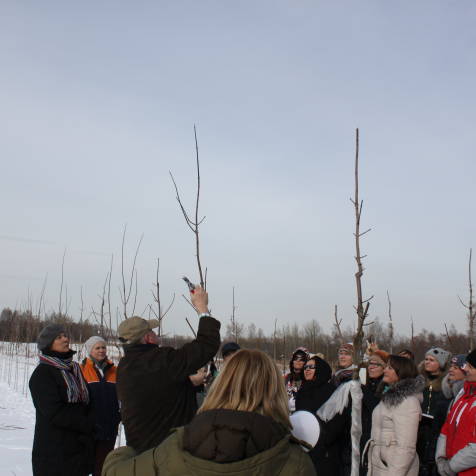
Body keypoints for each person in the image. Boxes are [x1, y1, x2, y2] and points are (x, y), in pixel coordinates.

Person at [103, 349, 316, 475]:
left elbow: (116, 472)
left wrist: (125, 451)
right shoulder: (295, 463)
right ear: (275, 391)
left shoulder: (176, 448)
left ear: (222, 384)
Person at [116, 285, 220, 453]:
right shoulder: (160, 360)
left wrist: (191, 381)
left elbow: (158, 388)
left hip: (142, 453)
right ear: (147, 337)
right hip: (168, 453)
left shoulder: (125, 367)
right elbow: (206, 345)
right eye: (152, 331)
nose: (156, 333)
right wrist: (202, 307)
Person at [29, 324, 94, 476]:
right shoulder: (42, 374)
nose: (65, 339)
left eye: (65, 335)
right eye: (59, 337)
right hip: (54, 450)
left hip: (79, 448)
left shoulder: (75, 369)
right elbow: (54, 412)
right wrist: (85, 423)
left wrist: (92, 420)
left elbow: (88, 399)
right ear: (48, 344)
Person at [365, 354, 423, 476]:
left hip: (394, 469)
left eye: (390, 368)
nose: (385, 370)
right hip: (381, 466)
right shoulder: (387, 398)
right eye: (386, 367)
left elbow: (406, 448)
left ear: (401, 372)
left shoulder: (407, 402)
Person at [80, 336, 120, 476]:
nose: (101, 350)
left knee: (104, 466)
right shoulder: (81, 370)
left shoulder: (115, 370)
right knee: (85, 465)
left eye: (103, 347)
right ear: (90, 350)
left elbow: (121, 397)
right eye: (97, 348)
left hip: (109, 427)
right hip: (89, 429)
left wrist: (118, 417)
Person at [436, 349, 476, 476]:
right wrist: (441, 458)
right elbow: (446, 428)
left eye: (470, 366)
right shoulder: (462, 394)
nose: (466, 369)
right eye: (466, 365)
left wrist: (452, 466)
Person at [295, 355, 334, 472]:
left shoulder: (330, 391)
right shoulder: (302, 392)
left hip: (325, 450)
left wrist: (323, 440)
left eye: (311, 367)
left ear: (320, 369)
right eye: (306, 366)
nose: (307, 369)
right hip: (304, 447)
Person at [417, 347, 451, 475]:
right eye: (426, 359)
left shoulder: (447, 384)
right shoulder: (419, 381)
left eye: (432, 360)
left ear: (441, 364)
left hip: (437, 431)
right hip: (419, 430)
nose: (427, 362)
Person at [360, 348, 389, 475]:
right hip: (362, 436)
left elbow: (376, 408)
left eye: (375, 364)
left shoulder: (386, 387)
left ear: (384, 367)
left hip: (378, 441)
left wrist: (362, 389)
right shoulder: (368, 383)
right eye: (369, 364)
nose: (371, 367)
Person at [285, 347, 309, 412]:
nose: (298, 361)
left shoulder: (310, 380)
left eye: (301, 359)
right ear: (292, 361)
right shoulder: (286, 378)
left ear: (306, 362)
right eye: (295, 358)